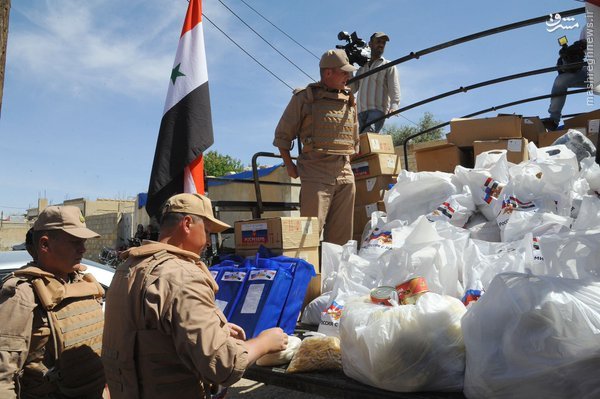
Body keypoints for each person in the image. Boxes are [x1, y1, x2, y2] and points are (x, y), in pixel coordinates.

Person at [102, 193, 288, 399]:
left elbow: (148, 333)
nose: (208, 242)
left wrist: (215, 329)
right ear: (188, 223)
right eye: (207, 232)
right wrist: (264, 343)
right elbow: (224, 364)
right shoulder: (183, 275)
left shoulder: (128, 267)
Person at [0, 206, 106, 399]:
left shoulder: (83, 283)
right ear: (45, 245)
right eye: (75, 242)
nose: (83, 249)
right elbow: (3, 376)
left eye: (83, 242)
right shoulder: (22, 294)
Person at [273, 49, 359, 245]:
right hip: (316, 173)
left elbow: (355, 142)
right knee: (309, 238)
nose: (348, 76)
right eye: (343, 71)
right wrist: (290, 167)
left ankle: (337, 275)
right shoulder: (304, 98)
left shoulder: (350, 100)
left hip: (345, 173)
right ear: (328, 73)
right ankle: (312, 276)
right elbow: (282, 136)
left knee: (342, 240)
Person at [350, 32, 401, 133]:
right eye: (378, 41)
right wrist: (349, 67)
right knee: (359, 141)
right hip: (360, 112)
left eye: (383, 43)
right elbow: (353, 89)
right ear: (370, 44)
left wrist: (394, 106)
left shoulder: (388, 65)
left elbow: (394, 86)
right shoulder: (362, 68)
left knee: (367, 135)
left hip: (377, 110)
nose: (381, 45)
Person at [544, 31, 588, 130]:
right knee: (561, 80)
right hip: (593, 70)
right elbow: (582, 50)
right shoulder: (588, 28)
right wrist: (567, 61)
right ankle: (553, 120)